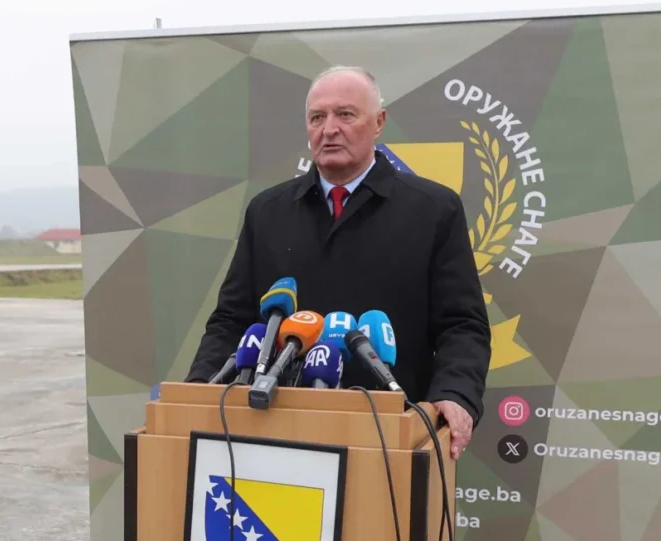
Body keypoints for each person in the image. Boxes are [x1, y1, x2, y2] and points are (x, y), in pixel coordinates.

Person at [185, 65, 492, 459]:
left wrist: (455, 393)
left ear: (378, 123)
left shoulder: (434, 209)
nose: (329, 129)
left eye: (345, 114)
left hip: (390, 436)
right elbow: (232, 319)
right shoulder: (267, 212)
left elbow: (462, 325)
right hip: (272, 430)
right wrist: (200, 387)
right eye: (317, 117)